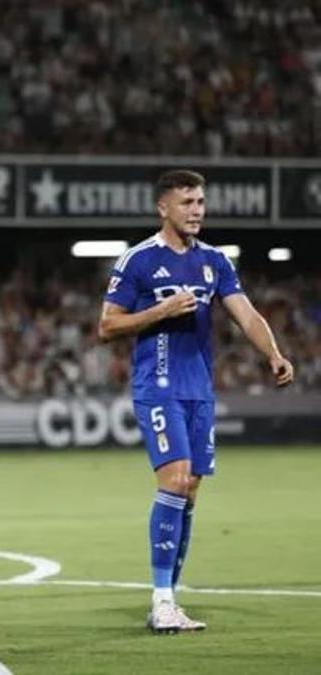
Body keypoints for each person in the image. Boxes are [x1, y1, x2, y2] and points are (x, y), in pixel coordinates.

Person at [97, 169, 294, 633]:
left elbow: (245, 314)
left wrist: (274, 354)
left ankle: (170, 599)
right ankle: (161, 600)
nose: (197, 210)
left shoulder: (215, 261)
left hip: (199, 389)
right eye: (187, 202)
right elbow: (107, 326)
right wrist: (161, 311)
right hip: (157, 385)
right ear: (163, 207)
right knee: (176, 479)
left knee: (190, 492)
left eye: (201, 202)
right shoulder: (139, 261)